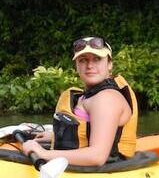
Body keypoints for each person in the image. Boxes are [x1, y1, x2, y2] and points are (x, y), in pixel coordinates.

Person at [21, 36, 138, 167]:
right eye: (83, 60)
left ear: (110, 64)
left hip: (102, 172)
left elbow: (97, 157)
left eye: (97, 59)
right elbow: (86, 131)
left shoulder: (106, 99)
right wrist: (56, 136)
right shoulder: (89, 95)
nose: (90, 66)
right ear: (77, 65)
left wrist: (43, 153)